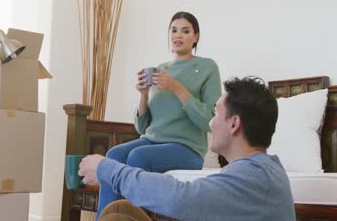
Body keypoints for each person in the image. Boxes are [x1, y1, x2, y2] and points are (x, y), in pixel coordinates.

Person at [79, 77, 296, 221]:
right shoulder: (260, 170)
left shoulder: (255, 177)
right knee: (121, 211)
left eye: (216, 113)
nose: (210, 123)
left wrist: (107, 169)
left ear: (234, 124)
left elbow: (179, 197)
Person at [95, 11, 222, 218]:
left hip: (187, 149)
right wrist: (143, 95)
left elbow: (210, 120)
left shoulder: (207, 67)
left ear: (196, 37)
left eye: (185, 31)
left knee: (138, 157)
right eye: (173, 30)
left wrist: (177, 88)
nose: (177, 35)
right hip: (152, 140)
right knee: (113, 156)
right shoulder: (160, 69)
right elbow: (143, 128)